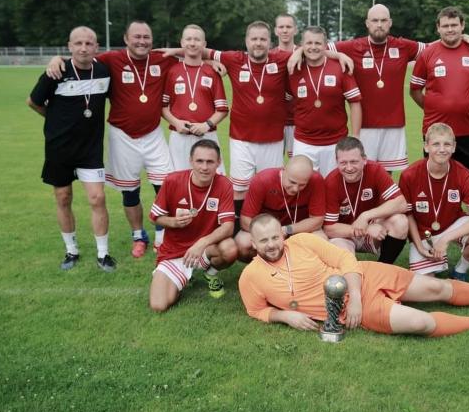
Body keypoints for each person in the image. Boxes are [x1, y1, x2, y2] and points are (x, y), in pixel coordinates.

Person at [238, 214, 469, 337]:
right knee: (421, 322)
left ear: (282, 233)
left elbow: (344, 258)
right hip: (352, 310)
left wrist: (354, 295)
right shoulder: (251, 276)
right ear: (253, 244)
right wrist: (285, 316)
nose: (272, 245)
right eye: (263, 241)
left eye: (275, 237)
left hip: (364, 278)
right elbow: (256, 310)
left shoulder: (301, 241)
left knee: (438, 289)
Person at [47, 21, 178, 258]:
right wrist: (57, 59)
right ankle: (138, 236)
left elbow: (195, 52)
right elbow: (81, 57)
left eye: (146, 37)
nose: (141, 41)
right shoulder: (110, 60)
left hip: (154, 134)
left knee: (164, 189)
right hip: (122, 136)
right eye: (136, 36)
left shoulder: (162, 59)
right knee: (130, 192)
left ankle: (162, 237)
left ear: (152, 39)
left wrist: (179, 51)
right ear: (126, 39)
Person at [326, 4, 469, 172]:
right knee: (361, 172)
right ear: (367, 23)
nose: (379, 24)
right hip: (364, 126)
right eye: (375, 20)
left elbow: (432, 46)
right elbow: (318, 49)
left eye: (383, 20)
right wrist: (338, 55)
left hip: (394, 125)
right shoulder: (352, 46)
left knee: (386, 176)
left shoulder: (402, 46)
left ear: (390, 23)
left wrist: (460, 37)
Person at [27, 26, 114, 271]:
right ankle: (71, 250)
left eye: (89, 43)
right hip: (59, 149)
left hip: (90, 149)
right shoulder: (56, 71)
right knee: (63, 197)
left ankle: (103, 254)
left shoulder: (104, 71)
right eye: (78, 43)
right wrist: (53, 120)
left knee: (98, 198)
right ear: (69, 46)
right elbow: (33, 102)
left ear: (97, 47)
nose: (83, 48)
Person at [206, 21, 293, 228]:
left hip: (272, 139)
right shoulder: (235, 59)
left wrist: (340, 55)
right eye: (254, 39)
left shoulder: (281, 59)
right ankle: (238, 229)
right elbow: (198, 49)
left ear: (270, 42)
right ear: (246, 41)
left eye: (263, 39)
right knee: (239, 188)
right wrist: (210, 62)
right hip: (241, 138)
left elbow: (312, 50)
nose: (258, 43)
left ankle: (269, 228)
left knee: (271, 187)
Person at [149, 140, 238, 310]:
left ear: (218, 163)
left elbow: (228, 227)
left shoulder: (224, 184)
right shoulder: (173, 180)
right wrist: (173, 222)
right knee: (159, 305)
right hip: (173, 252)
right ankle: (182, 278)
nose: (204, 167)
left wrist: (202, 243)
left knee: (230, 248)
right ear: (191, 161)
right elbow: (155, 217)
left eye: (210, 162)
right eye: (199, 161)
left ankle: (210, 274)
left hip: (204, 250)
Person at [399, 123, 469, 281]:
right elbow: (407, 215)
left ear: (454, 147)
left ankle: (460, 271)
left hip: (452, 225)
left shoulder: (464, 175)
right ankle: (429, 261)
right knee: (426, 283)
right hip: (423, 232)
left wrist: (446, 239)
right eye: (436, 144)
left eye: (447, 144)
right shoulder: (409, 175)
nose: (442, 149)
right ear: (426, 147)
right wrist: (419, 247)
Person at [410, 6, 469, 173]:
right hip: (435, 130)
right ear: (438, 28)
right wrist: (434, 106)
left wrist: (463, 103)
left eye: (454, 25)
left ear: (462, 26)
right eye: (445, 26)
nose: (450, 29)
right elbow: (415, 91)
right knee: (435, 178)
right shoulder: (427, 54)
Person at [288, 26, 362, 175]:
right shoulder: (292, 68)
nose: (313, 47)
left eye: (318, 43)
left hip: (335, 142)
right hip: (303, 142)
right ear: (301, 46)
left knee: (333, 187)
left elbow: (354, 103)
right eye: (309, 43)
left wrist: (355, 136)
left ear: (325, 45)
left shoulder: (340, 67)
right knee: (303, 186)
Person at [323, 137, 408, 264]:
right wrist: (365, 229)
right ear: (337, 161)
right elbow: (329, 228)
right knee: (344, 254)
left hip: (374, 232)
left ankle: (383, 268)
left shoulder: (375, 170)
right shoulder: (331, 182)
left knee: (400, 222)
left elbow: (401, 203)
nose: (349, 168)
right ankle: (352, 274)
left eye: (354, 162)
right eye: (343, 163)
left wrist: (366, 216)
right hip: (344, 235)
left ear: (364, 159)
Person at [161, 24, 228, 174]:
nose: (192, 43)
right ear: (182, 42)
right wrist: (176, 122)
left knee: (214, 179)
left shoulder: (212, 72)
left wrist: (206, 125)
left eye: (197, 40)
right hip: (179, 137)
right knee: (179, 180)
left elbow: (222, 110)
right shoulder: (172, 71)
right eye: (189, 39)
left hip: (207, 135)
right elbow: (163, 106)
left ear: (204, 45)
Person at [235, 155, 326, 262]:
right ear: (283, 170)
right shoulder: (262, 180)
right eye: (292, 182)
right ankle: (261, 271)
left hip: (298, 229)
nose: (295, 189)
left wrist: (287, 230)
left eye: (302, 185)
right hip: (266, 231)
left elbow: (317, 220)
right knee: (243, 242)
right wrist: (272, 235)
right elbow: (245, 220)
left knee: (322, 240)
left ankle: (307, 274)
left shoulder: (316, 180)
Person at [272, 14, 299, 158]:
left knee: (299, 165)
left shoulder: (306, 53)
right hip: (275, 120)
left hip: (300, 120)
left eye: (288, 27)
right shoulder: (269, 56)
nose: (284, 30)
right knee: (273, 165)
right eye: (281, 27)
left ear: (295, 30)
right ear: (276, 30)